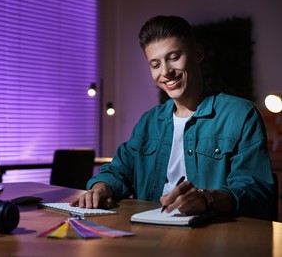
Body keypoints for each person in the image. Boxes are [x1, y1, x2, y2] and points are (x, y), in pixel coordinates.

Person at [71, 15, 275, 220]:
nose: (166, 72)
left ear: (198, 53)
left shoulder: (241, 115)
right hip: (147, 235)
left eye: (174, 57)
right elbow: (118, 170)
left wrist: (207, 198)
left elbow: (256, 193)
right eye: (155, 64)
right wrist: (101, 187)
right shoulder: (148, 122)